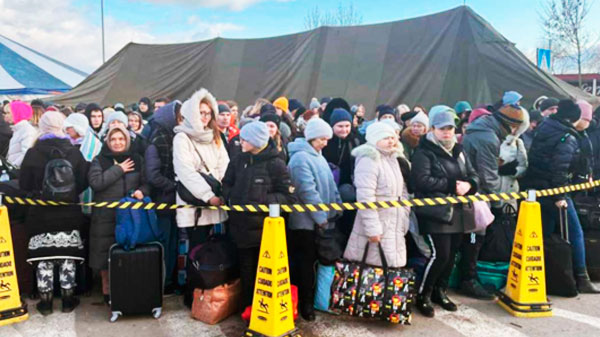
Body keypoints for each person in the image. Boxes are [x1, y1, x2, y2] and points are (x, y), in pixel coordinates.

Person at [524, 99, 600, 293]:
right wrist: (560, 195)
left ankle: (551, 276)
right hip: (554, 191)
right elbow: (559, 168)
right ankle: (581, 277)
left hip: (537, 188)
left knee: (546, 233)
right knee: (575, 231)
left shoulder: (546, 127)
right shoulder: (567, 136)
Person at [411, 108, 480, 317]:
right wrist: (452, 185)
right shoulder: (424, 152)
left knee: (451, 256)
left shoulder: (459, 150)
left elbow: (474, 174)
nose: (447, 132)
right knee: (439, 255)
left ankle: (440, 291)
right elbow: (420, 181)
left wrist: (469, 185)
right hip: (435, 211)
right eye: (442, 129)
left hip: (458, 211)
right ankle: (423, 294)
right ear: (433, 129)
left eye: (450, 128)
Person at [20, 111, 89, 315]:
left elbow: (23, 183)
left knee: (44, 258)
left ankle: (46, 302)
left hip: (40, 213)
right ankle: (68, 301)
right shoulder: (74, 152)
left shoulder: (33, 153)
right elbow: (84, 181)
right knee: (67, 258)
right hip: (69, 212)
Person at [222, 121, 296, 310]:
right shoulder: (239, 160)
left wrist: (261, 200)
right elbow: (227, 183)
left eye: (244, 139)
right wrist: (232, 196)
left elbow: (288, 196)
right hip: (240, 226)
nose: (240, 142)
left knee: (262, 271)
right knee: (245, 269)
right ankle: (247, 308)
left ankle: (261, 309)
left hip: (265, 231)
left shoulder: (276, 164)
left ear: (256, 141)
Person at [461, 100, 526, 300]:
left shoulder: (481, 130)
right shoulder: (488, 138)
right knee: (475, 236)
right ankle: (468, 279)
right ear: (510, 125)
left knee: (472, 237)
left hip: (472, 189)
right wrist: (497, 205)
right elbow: (488, 177)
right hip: (478, 194)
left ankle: (468, 276)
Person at [287, 117, 341, 321]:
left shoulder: (318, 155)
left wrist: (337, 205)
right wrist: (321, 218)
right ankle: (305, 304)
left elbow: (331, 184)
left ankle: (312, 300)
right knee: (305, 265)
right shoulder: (300, 159)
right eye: (322, 139)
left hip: (321, 220)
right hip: (304, 224)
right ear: (311, 138)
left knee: (314, 263)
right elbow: (307, 191)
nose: (326, 143)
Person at [88, 125, 149, 303]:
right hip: (105, 216)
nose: (117, 143)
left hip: (130, 215)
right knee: (105, 256)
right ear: (108, 141)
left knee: (128, 252)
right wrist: (119, 169)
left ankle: (127, 287)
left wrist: (142, 191)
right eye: (113, 139)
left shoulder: (137, 159)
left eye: (121, 139)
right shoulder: (99, 160)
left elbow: (146, 182)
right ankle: (107, 293)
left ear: (127, 141)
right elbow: (96, 183)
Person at [343, 121, 410, 269]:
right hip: (377, 226)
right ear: (374, 139)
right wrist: (373, 229)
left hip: (395, 224)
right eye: (385, 138)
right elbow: (365, 197)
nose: (391, 141)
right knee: (374, 274)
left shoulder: (393, 158)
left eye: (392, 137)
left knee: (391, 271)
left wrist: (405, 215)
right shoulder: (369, 159)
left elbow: (403, 191)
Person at [173, 88, 229, 245]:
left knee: (215, 250)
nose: (205, 117)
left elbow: (224, 165)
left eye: (208, 113)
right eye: (201, 112)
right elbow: (185, 171)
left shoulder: (214, 136)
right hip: (195, 202)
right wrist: (208, 196)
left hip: (217, 198)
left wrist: (224, 191)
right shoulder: (182, 138)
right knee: (197, 250)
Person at [145, 101, 182, 293]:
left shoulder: (175, 137)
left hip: (174, 199)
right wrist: (174, 186)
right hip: (163, 199)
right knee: (165, 241)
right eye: (179, 116)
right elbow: (153, 175)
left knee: (175, 240)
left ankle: (172, 278)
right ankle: (164, 281)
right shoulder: (158, 140)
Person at [322, 108, 363, 238]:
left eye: (347, 126)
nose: (344, 129)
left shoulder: (356, 141)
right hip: (329, 186)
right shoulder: (325, 142)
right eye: (340, 126)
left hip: (349, 187)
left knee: (348, 220)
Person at [7, 101, 38, 168]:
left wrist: (13, 166)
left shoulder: (27, 130)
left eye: (8, 113)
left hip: (20, 171)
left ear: (17, 113)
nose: (6, 116)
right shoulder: (18, 129)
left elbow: (26, 153)